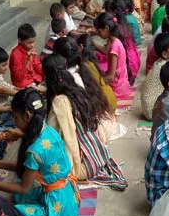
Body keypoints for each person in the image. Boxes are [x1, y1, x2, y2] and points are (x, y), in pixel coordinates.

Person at [0, 89, 80, 216]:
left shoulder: (34, 151)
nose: (14, 121)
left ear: (26, 116)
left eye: (15, 117)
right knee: (21, 190)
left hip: (56, 209)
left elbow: (23, 188)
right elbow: (26, 168)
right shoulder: (49, 130)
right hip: (68, 198)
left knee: (10, 214)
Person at [42, 54, 128, 190]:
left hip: (83, 167)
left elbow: (53, 134)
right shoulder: (77, 90)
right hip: (99, 156)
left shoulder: (60, 101)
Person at [93, 12, 133, 101]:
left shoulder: (114, 46)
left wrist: (96, 83)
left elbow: (111, 77)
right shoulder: (115, 40)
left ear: (106, 28)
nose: (98, 34)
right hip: (123, 84)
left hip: (117, 89)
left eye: (99, 31)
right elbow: (106, 51)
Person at [77, 34, 117, 113]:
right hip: (111, 100)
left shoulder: (84, 66)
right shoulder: (93, 61)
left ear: (81, 46)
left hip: (106, 108)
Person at [9, 24, 45, 90]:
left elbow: (37, 64)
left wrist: (45, 72)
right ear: (20, 40)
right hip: (22, 83)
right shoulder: (15, 54)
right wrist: (27, 62)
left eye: (33, 42)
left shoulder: (31, 49)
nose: (32, 45)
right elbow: (18, 78)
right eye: (29, 42)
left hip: (34, 78)